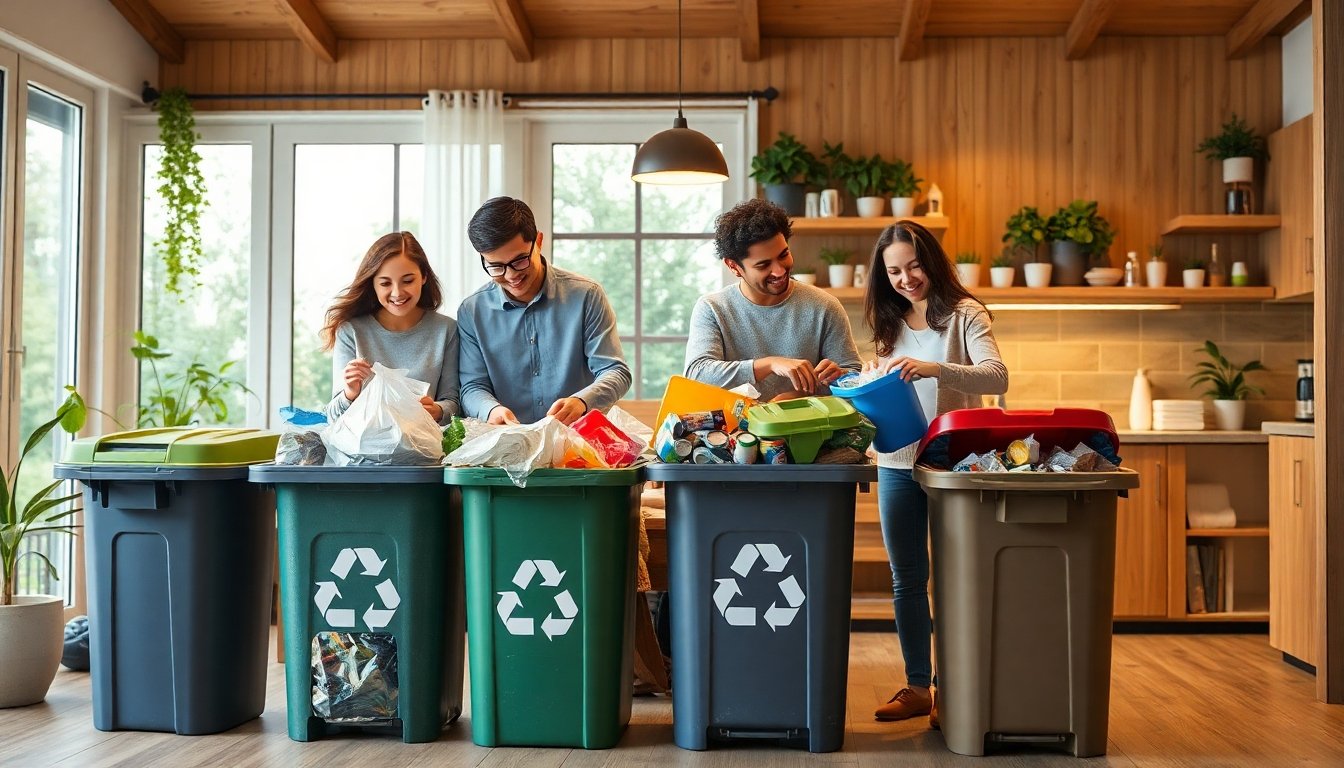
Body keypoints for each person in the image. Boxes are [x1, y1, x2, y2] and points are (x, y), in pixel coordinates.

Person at [865, 221, 1008, 726]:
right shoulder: (889, 320)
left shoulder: (965, 315)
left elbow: (997, 376)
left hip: (951, 464)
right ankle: (917, 687)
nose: (906, 279)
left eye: (915, 266)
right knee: (907, 580)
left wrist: (934, 369)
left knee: (954, 580)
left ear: (933, 262)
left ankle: (955, 690)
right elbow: (884, 386)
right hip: (897, 463)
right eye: (895, 271)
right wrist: (859, 382)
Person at [457, 196, 631, 425]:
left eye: (520, 260)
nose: (511, 276)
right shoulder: (472, 312)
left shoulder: (586, 295)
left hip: (577, 446)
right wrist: (491, 410)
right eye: (496, 266)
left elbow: (616, 371)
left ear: (538, 241)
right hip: (508, 445)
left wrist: (583, 401)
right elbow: (471, 387)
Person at [684, 199, 861, 401]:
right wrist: (770, 364)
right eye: (763, 265)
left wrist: (827, 382)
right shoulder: (713, 309)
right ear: (733, 266)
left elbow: (854, 376)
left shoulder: (824, 306)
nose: (779, 271)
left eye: (783, 254)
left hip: (807, 429)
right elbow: (697, 374)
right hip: (734, 431)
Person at [321, 231, 460, 425]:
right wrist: (350, 393)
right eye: (385, 283)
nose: (397, 293)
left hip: (424, 450)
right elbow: (333, 417)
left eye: (408, 280)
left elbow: (453, 404)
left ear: (424, 277)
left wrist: (437, 410)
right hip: (363, 453)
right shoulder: (351, 332)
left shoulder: (446, 330)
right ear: (373, 284)